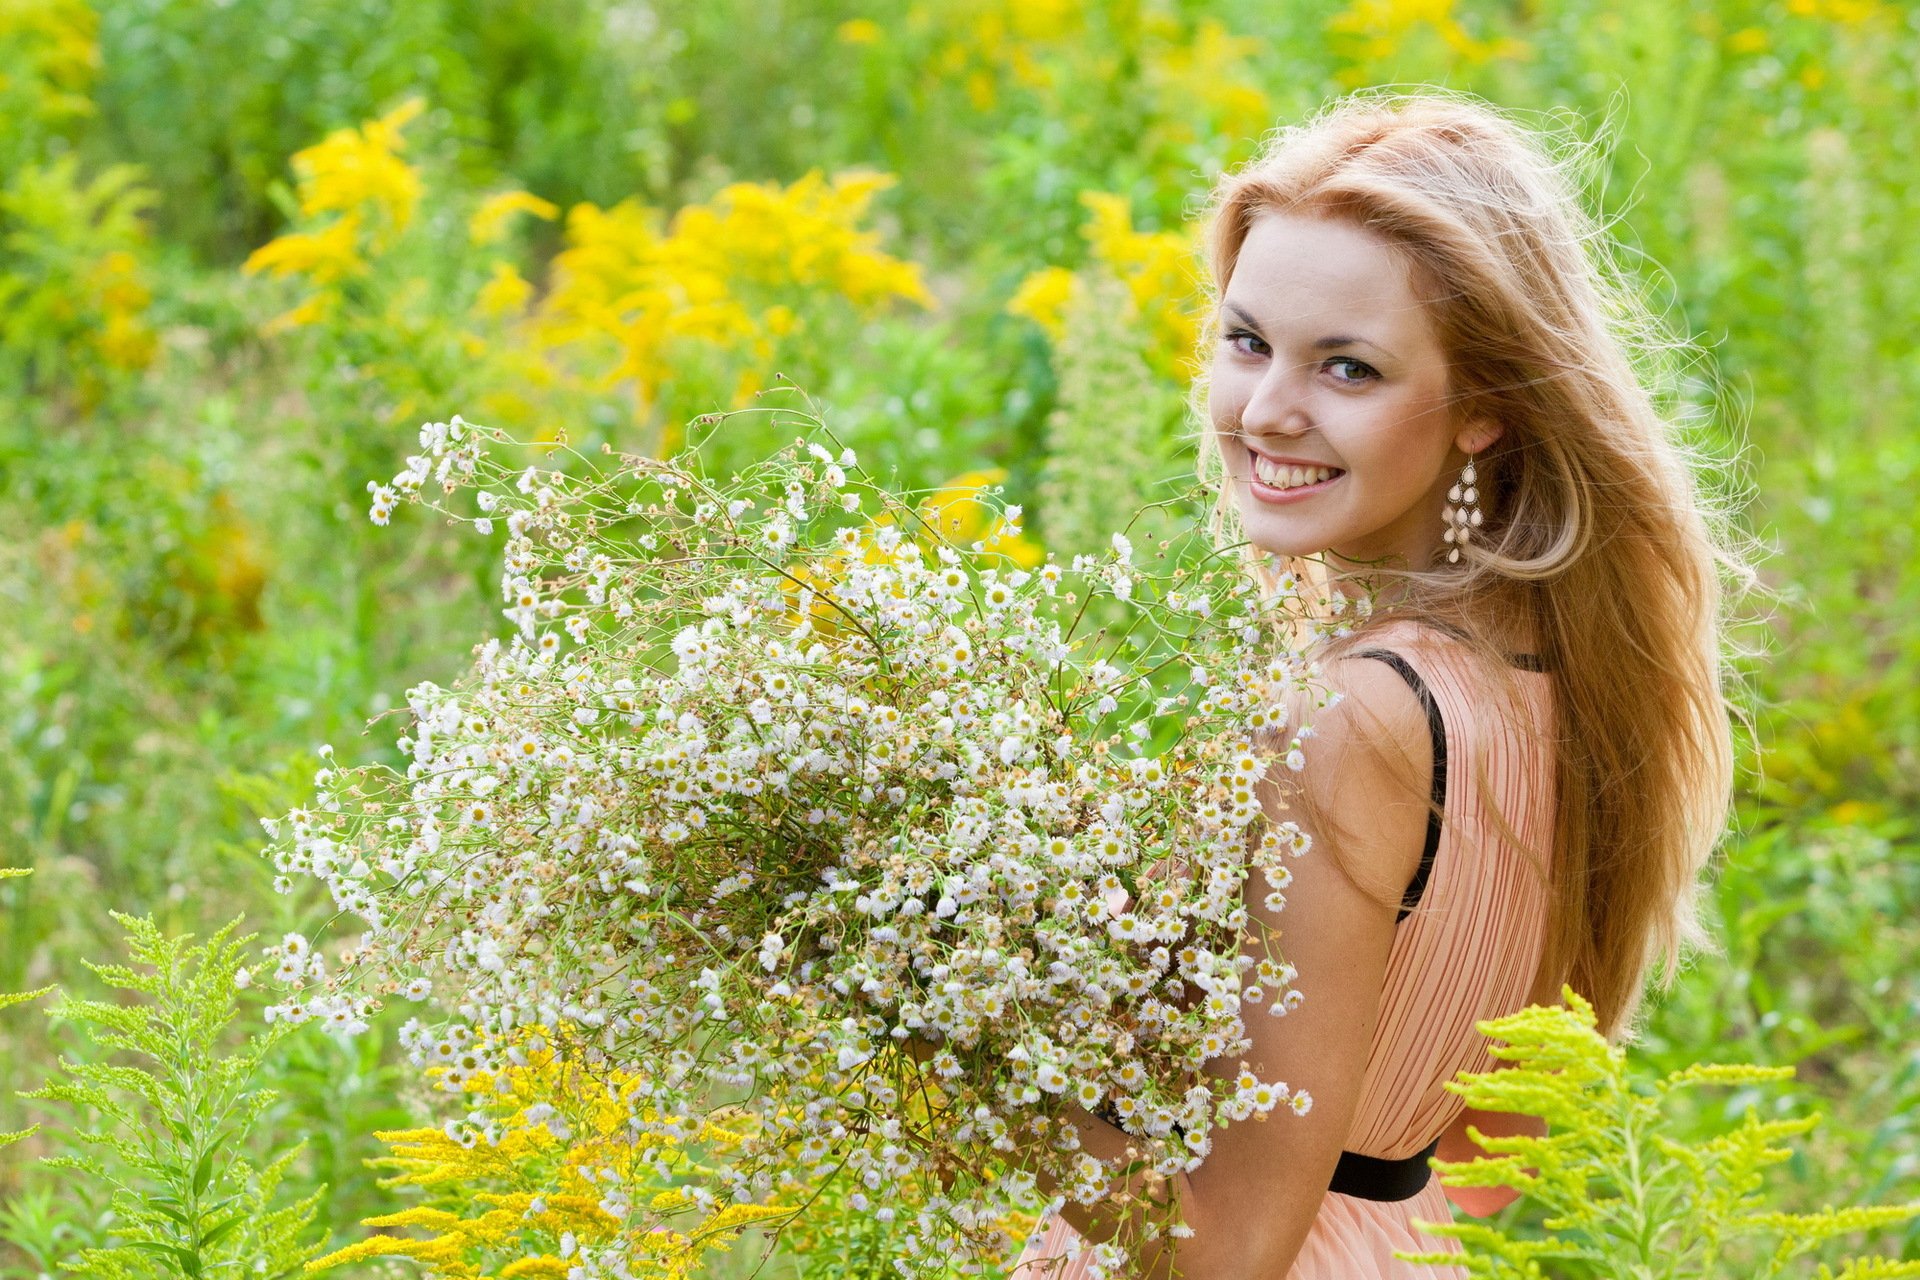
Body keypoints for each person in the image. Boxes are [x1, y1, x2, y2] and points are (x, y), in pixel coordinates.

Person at [1010, 89, 1748, 1279]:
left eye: (1347, 367)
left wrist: (972, 1037)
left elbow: (1227, 1253)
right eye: (1246, 341)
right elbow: (1493, 1148)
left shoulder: (1360, 717)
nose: (1266, 410)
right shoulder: (1554, 677)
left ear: (1484, 410)